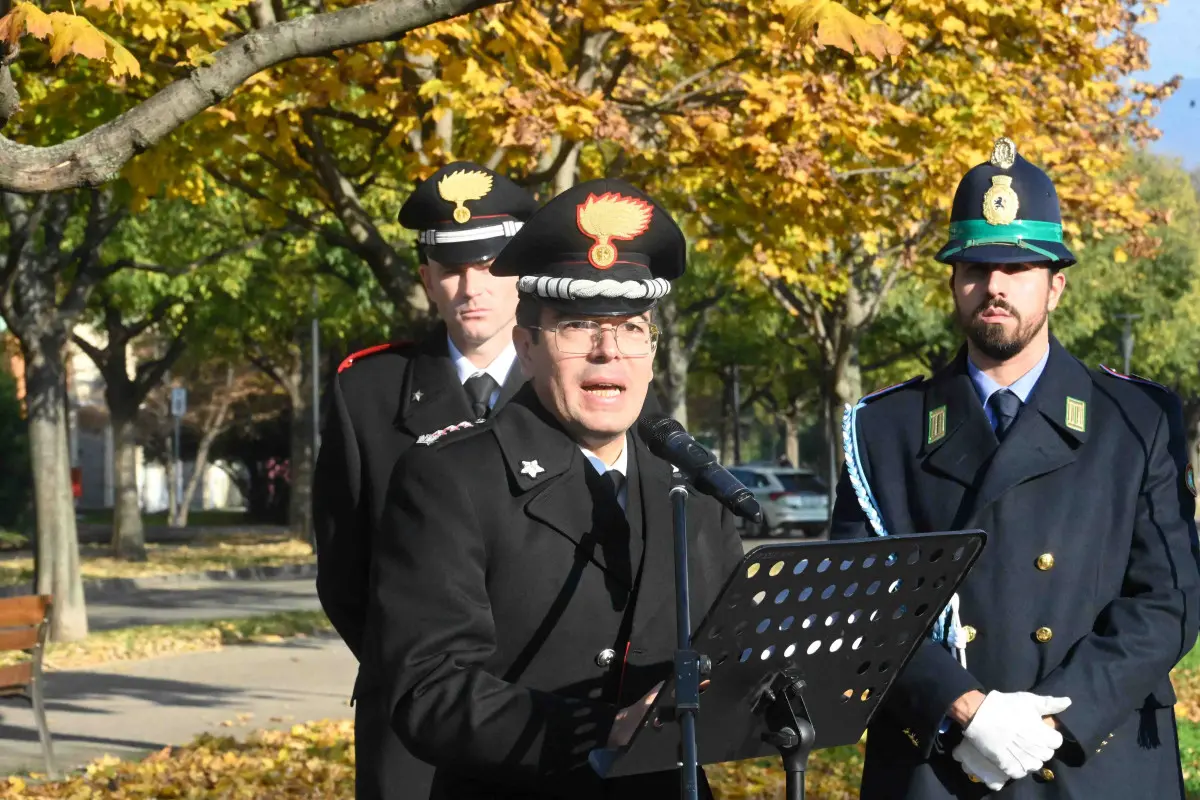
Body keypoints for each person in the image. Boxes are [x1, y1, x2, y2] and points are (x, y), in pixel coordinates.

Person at [832, 136, 1200, 799]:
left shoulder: (1135, 419)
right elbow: (861, 604)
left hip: (1095, 758)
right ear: (952, 281)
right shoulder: (884, 429)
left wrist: (1057, 720)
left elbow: (1168, 600)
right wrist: (968, 709)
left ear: (1056, 286)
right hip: (938, 761)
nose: (994, 286)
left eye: (1018, 268)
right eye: (975, 267)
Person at [367, 178, 746, 799]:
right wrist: (601, 730)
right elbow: (427, 689)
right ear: (527, 344)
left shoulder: (692, 486)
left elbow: (727, 657)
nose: (608, 353)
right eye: (578, 327)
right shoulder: (449, 479)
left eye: (630, 330)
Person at [313, 161, 538, 800]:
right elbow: (343, 570)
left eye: (491, 264)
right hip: (414, 721)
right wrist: (418, 672)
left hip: (549, 706)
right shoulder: (367, 392)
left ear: (521, 272)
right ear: (426, 281)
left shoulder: (575, 383)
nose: (472, 287)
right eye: (450, 269)